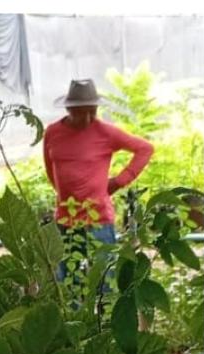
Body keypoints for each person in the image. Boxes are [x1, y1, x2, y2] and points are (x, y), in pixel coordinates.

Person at [43, 79, 154, 288]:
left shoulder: (106, 132)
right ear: (69, 109)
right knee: (68, 279)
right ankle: (76, 319)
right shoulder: (52, 133)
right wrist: (66, 194)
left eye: (91, 112)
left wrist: (119, 181)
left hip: (99, 219)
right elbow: (51, 170)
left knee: (104, 280)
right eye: (81, 112)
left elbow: (145, 149)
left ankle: (105, 318)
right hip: (66, 219)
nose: (86, 118)